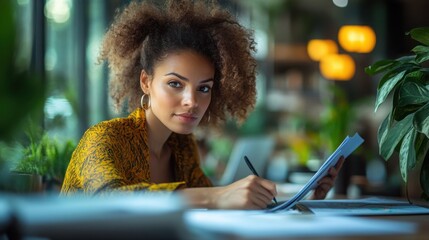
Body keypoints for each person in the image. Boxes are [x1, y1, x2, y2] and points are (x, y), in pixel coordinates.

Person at [60, 0, 344, 209]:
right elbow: (110, 202)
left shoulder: (182, 147)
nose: (192, 101)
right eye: (175, 84)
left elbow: (216, 198)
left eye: (204, 88)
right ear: (146, 81)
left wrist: (301, 194)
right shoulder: (104, 139)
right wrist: (217, 196)